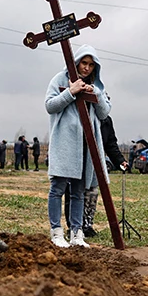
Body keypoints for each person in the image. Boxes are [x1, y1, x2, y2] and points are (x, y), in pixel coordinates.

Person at [45, 45, 111, 248]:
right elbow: (50, 105)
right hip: (66, 142)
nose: (87, 68)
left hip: (86, 145)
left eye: (91, 65)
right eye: (84, 63)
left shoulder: (97, 85)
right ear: (77, 62)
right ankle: (56, 232)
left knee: (78, 191)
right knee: (58, 188)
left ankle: (76, 233)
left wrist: (96, 95)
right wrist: (71, 92)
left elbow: (104, 113)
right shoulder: (60, 79)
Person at [67, 114, 128, 238]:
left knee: (92, 194)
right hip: (77, 161)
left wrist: (119, 160)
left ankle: (87, 225)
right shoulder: (81, 114)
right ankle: (73, 226)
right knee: (74, 193)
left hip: (95, 164)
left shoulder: (106, 120)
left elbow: (110, 144)